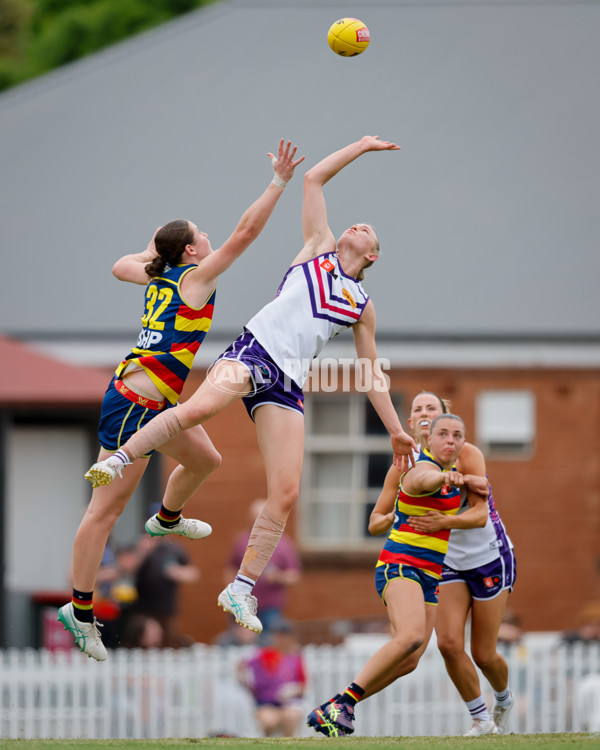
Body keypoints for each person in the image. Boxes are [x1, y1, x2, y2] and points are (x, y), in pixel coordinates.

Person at [83, 135, 418, 634]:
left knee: (285, 490)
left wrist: (394, 430)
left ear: (373, 257)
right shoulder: (318, 250)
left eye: (368, 230)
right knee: (198, 410)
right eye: (356, 222)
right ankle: (119, 458)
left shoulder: (362, 307)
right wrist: (362, 147)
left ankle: (240, 590)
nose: (358, 226)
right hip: (253, 349)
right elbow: (313, 178)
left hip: (287, 384)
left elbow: (371, 374)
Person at [58, 139, 304, 661]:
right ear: (191, 252)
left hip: (153, 399)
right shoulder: (194, 278)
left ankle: (166, 519)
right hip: (131, 402)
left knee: (206, 458)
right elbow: (247, 233)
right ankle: (79, 613)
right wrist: (278, 181)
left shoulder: (158, 272)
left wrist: (155, 247)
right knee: (103, 513)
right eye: (201, 236)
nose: (211, 239)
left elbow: (120, 264)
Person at [307, 413, 489, 737]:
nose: (450, 440)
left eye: (457, 435)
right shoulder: (421, 468)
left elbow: (479, 512)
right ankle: (341, 705)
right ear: (429, 440)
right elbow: (424, 481)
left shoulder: (455, 471)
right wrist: (448, 480)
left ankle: (338, 706)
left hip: (430, 575)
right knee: (411, 637)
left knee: (410, 659)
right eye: (443, 434)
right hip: (401, 566)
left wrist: (468, 481)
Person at [406, 392, 516, 735]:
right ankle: (481, 719)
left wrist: (443, 520)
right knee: (449, 643)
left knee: (484, 654)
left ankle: (503, 696)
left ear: (445, 419)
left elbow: (481, 515)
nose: (425, 414)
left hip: (488, 557)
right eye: (418, 410)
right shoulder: (409, 459)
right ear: (411, 423)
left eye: (432, 409)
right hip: (447, 560)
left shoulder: (468, 454)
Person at [224, 499, 301, 634]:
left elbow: (294, 576)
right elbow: (230, 570)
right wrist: (233, 595)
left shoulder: (283, 543)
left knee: (269, 645)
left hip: (270, 607)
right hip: (244, 606)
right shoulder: (241, 541)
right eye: (255, 518)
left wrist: (277, 577)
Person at [238, 619, 307, 737]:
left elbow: (303, 684)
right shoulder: (263, 655)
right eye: (279, 635)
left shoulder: (296, 657)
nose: (283, 639)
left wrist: (293, 690)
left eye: (286, 636)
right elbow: (241, 667)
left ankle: (288, 744)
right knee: (269, 721)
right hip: (265, 702)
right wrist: (248, 686)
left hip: (289, 703)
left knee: (291, 717)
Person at [132, 534, 199, 648]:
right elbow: (128, 568)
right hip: (143, 609)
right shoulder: (143, 546)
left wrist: (178, 572)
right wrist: (142, 552)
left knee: (169, 643)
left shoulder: (175, 549)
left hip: (168, 609)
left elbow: (193, 574)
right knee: (144, 644)